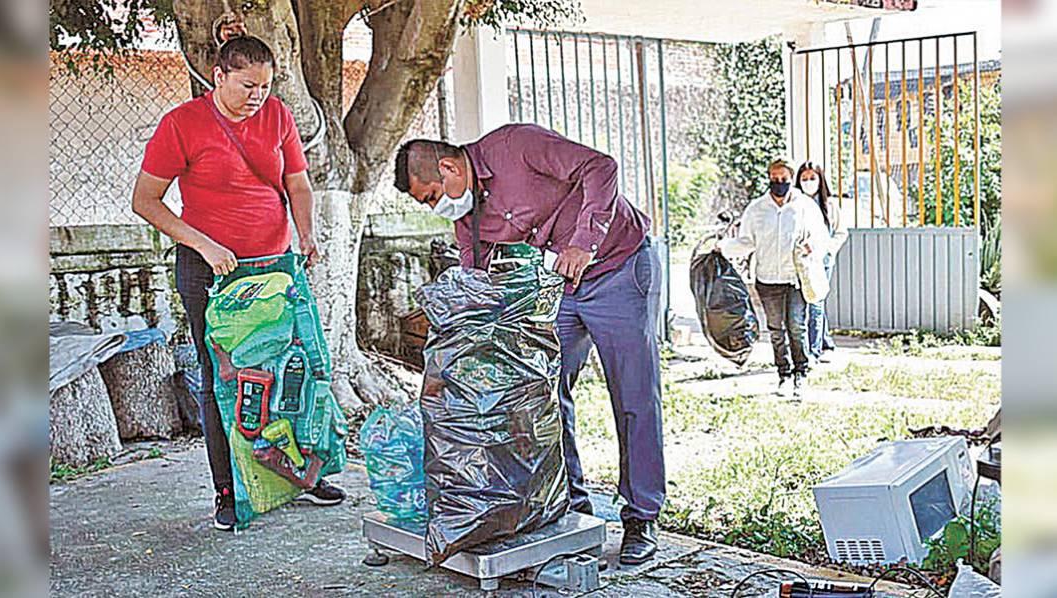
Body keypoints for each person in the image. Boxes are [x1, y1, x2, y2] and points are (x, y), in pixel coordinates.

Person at [393, 124, 665, 565]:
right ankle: (572, 505)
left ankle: (641, 516)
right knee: (541, 392)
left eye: (430, 196)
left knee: (633, 396)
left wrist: (583, 242)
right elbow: (475, 281)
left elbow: (602, 167)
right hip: (562, 286)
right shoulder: (469, 217)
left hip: (619, 266)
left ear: (447, 167)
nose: (435, 208)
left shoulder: (514, 147)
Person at [131, 36, 345, 531]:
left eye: (266, 86)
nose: (258, 96)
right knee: (224, 379)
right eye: (248, 85)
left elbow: (298, 183)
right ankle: (228, 491)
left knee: (292, 370)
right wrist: (203, 244)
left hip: (273, 267)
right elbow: (146, 201)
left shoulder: (278, 118)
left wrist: (306, 232)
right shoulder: (181, 125)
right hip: (211, 272)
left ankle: (302, 474)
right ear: (218, 75)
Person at [716, 158, 827, 397]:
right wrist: (723, 248)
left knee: (796, 326)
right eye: (774, 179)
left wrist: (812, 246)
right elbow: (746, 241)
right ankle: (783, 375)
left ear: (790, 178)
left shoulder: (804, 206)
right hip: (767, 279)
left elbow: (820, 236)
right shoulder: (757, 209)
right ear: (769, 178)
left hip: (796, 277)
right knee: (776, 329)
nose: (779, 183)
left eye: (784, 179)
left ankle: (802, 372)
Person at [795, 161, 847, 363]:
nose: (808, 182)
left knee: (816, 302)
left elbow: (841, 233)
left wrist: (827, 250)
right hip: (803, 261)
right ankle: (826, 343)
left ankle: (813, 351)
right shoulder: (796, 204)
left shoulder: (830, 205)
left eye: (812, 178)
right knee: (809, 301)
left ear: (820, 179)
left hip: (823, 261)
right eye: (804, 179)